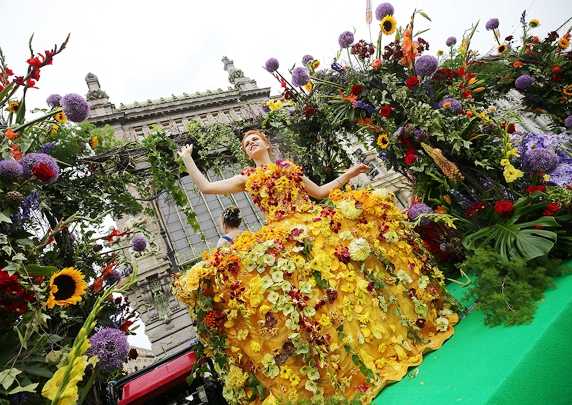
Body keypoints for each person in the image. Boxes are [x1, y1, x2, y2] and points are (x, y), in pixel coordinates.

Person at [172, 130, 459, 405]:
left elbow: (320, 192)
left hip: (315, 225)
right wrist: (188, 159)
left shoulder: (291, 168)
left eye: (254, 138)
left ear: (267, 143)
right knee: (319, 300)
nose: (250, 143)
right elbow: (207, 187)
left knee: (349, 287)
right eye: (246, 143)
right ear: (247, 154)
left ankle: (384, 339)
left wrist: (347, 175)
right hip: (286, 237)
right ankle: (343, 366)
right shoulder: (247, 178)